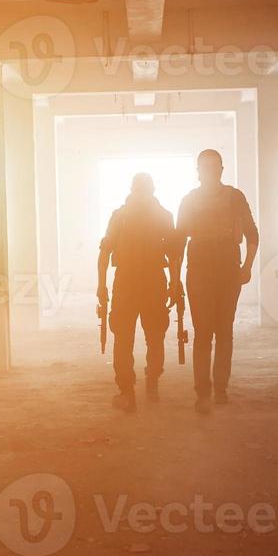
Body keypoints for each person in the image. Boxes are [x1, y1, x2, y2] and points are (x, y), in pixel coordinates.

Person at [175, 149, 259, 413]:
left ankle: (219, 389)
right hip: (199, 273)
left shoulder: (234, 198)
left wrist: (247, 267)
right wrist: (175, 280)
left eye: (215, 166)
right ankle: (203, 391)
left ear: (222, 170)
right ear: (198, 171)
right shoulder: (189, 200)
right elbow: (178, 243)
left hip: (227, 272)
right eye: (205, 166)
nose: (210, 171)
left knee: (223, 331)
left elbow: (252, 234)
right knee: (203, 333)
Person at [97, 173, 182, 412]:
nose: (142, 194)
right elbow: (174, 255)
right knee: (143, 337)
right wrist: (174, 284)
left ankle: (132, 388)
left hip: (134, 282)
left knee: (134, 338)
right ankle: (141, 386)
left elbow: (173, 255)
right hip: (143, 281)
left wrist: (101, 284)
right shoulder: (155, 215)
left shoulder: (122, 216)